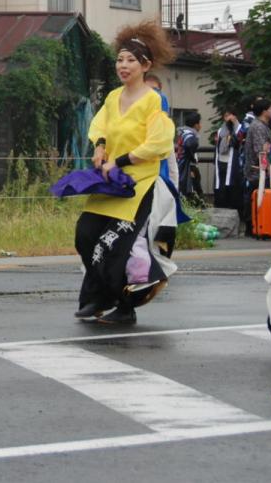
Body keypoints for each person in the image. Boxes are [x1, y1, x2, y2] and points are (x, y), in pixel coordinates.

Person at [76, 21, 177, 326]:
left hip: (138, 185)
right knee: (86, 236)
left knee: (114, 244)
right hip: (109, 183)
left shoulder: (153, 100)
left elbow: (158, 143)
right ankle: (98, 296)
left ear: (146, 65)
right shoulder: (112, 97)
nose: (123, 65)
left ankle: (124, 304)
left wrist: (118, 161)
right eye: (120, 59)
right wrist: (100, 146)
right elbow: (100, 125)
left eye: (131, 60)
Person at [242, 98, 271, 237]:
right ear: (264, 111)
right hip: (258, 171)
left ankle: (257, 226)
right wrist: (268, 167)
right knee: (257, 198)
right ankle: (255, 227)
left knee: (256, 198)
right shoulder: (258, 127)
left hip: (261, 170)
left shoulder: (262, 125)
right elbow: (260, 150)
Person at [143, 72, 173, 185]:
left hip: (159, 144)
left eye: (155, 89)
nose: (153, 92)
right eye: (148, 89)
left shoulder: (160, 98)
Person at [212, 109, 243, 212]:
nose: (228, 118)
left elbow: (238, 144)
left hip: (234, 164)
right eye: (226, 116)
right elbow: (217, 147)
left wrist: (233, 126)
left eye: (230, 115)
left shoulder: (240, 129)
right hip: (221, 162)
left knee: (233, 187)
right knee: (221, 188)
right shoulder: (221, 131)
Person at [175, 111, 202, 204]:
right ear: (195, 125)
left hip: (181, 167)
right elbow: (190, 145)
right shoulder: (190, 136)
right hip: (188, 168)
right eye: (199, 123)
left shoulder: (183, 133)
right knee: (193, 193)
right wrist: (192, 159)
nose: (200, 126)